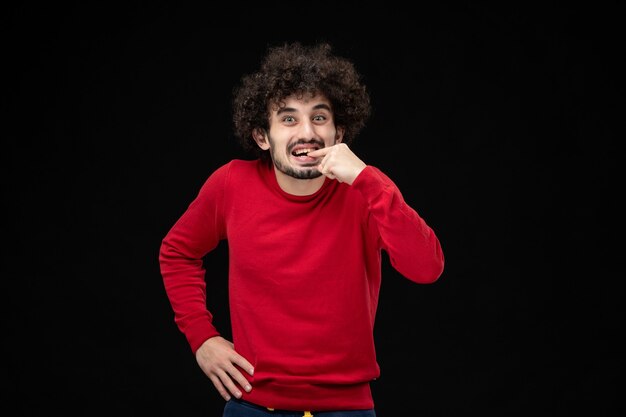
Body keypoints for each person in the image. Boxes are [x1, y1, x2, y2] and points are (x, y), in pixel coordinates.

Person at [159, 41, 445, 416]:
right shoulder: (230, 185)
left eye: (320, 117)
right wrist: (202, 338)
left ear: (338, 133)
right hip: (252, 405)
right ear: (263, 136)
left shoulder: (366, 191)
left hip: (347, 408)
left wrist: (365, 177)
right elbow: (177, 251)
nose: (306, 132)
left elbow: (427, 268)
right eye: (289, 119)